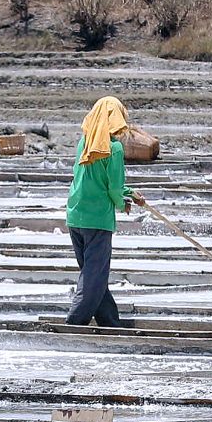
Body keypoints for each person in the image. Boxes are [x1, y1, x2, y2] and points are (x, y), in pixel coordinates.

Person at [65, 95, 133, 327]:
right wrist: (123, 203)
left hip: (75, 216)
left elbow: (94, 179)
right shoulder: (113, 149)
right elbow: (114, 187)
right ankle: (75, 321)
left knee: (94, 272)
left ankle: (109, 318)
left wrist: (131, 193)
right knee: (94, 275)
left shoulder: (84, 143)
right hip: (97, 220)